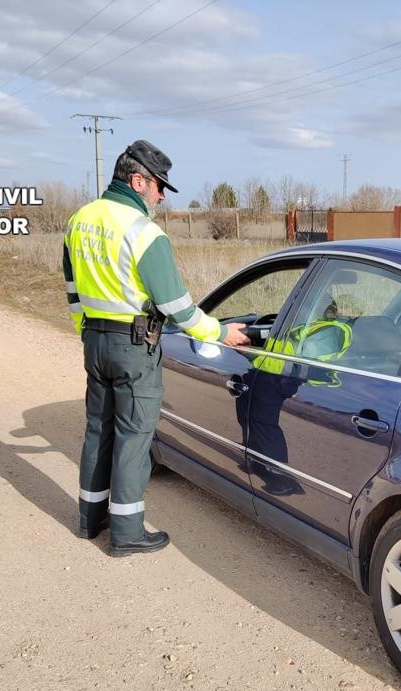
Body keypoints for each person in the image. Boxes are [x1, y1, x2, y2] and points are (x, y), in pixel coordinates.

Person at [61, 139, 249, 556]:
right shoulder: (144, 233)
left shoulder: (79, 220)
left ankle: (89, 520)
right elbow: (177, 306)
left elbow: (73, 289)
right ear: (137, 180)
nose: (162, 195)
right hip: (134, 346)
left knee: (99, 428)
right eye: (159, 186)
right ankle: (127, 533)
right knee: (134, 435)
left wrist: (86, 330)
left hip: (95, 340)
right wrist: (217, 333)